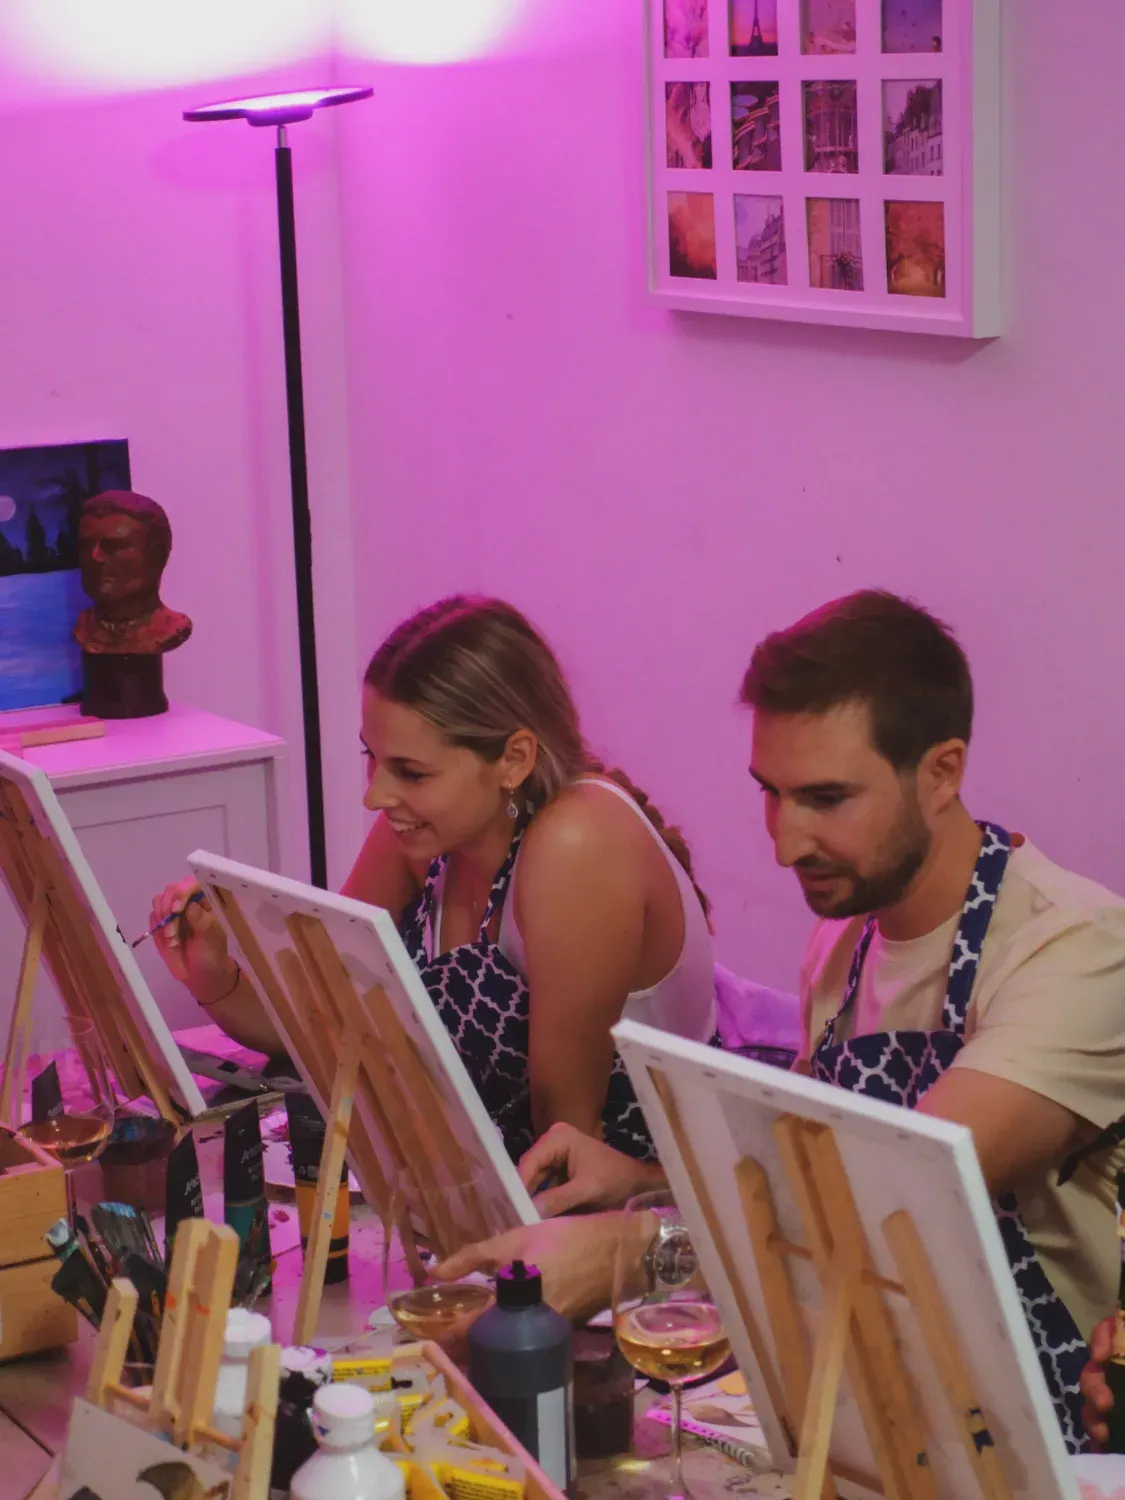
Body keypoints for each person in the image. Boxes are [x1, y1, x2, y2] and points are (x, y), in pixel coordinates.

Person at [440, 591, 1125, 1454]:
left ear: (942, 772)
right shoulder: (843, 939)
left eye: (826, 798)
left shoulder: (1074, 951)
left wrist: (632, 1248)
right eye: (771, 794)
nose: (783, 842)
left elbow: (901, 1191)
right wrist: (645, 1180)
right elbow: (809, 1179)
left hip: (1040, 1439)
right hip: (880, 1402)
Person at [150, 595, 716, 1162]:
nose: (376, 795)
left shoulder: (577, 845)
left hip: (640, 1194)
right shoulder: (428, 834)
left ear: (514, 759)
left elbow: (567, 1141)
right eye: (372, 757)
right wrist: (213, 975)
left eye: (412, 773)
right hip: (485, 1178)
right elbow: (316, 1018)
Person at [74, 491, 192, 655]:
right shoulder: (84, 629)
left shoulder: (172, 629)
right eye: (86, 546)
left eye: (115, 546)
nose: (95, 557)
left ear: (157, 555)